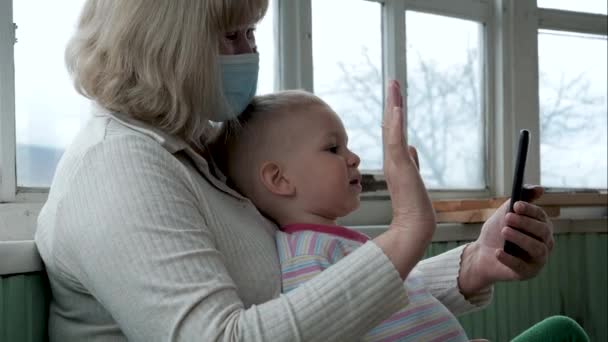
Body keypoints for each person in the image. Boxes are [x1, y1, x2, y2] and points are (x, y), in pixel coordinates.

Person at [34, 1, 556, 341]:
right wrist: (406, 232)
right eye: (232, 36)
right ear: (164, 47)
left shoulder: (191, 154)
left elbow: (317, 296)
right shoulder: (117, 166)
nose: (250, 54)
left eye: (252, 34)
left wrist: (472, 266)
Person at [215, 90, 590, 342]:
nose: (353, 157)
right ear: (279, 179)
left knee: (562, 330)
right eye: (332, 148)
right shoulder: (304, 255)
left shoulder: (344, 244)